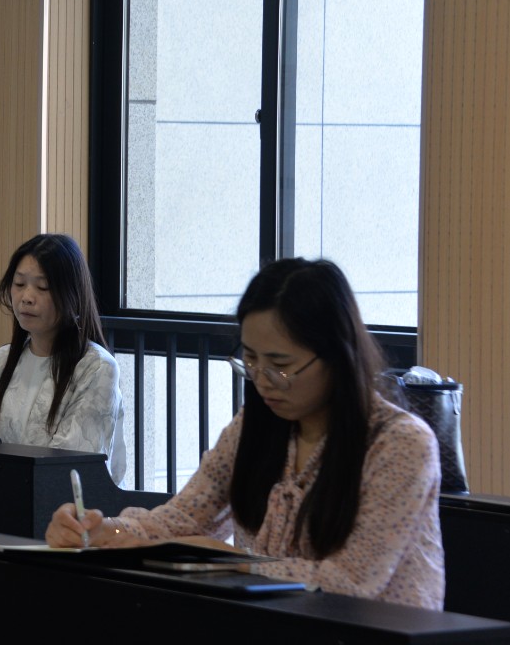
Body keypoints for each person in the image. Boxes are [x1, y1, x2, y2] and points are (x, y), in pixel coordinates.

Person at [47, 257, 445, 609]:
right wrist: (106, 531)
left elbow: (352, 581)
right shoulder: (255, 426)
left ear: (337, 356)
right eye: (250, 360)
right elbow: (185, 518)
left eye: (280, 365)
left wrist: (231, 562)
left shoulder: (400, 443)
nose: (263, 381)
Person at [0, 233, 127, 483]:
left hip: (69, 505)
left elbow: (71, 467)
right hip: (4, 497)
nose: (27, 297)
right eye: (19, 284)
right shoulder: (1, 360)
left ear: (72, 294)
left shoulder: (97, 367)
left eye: (43, 287)